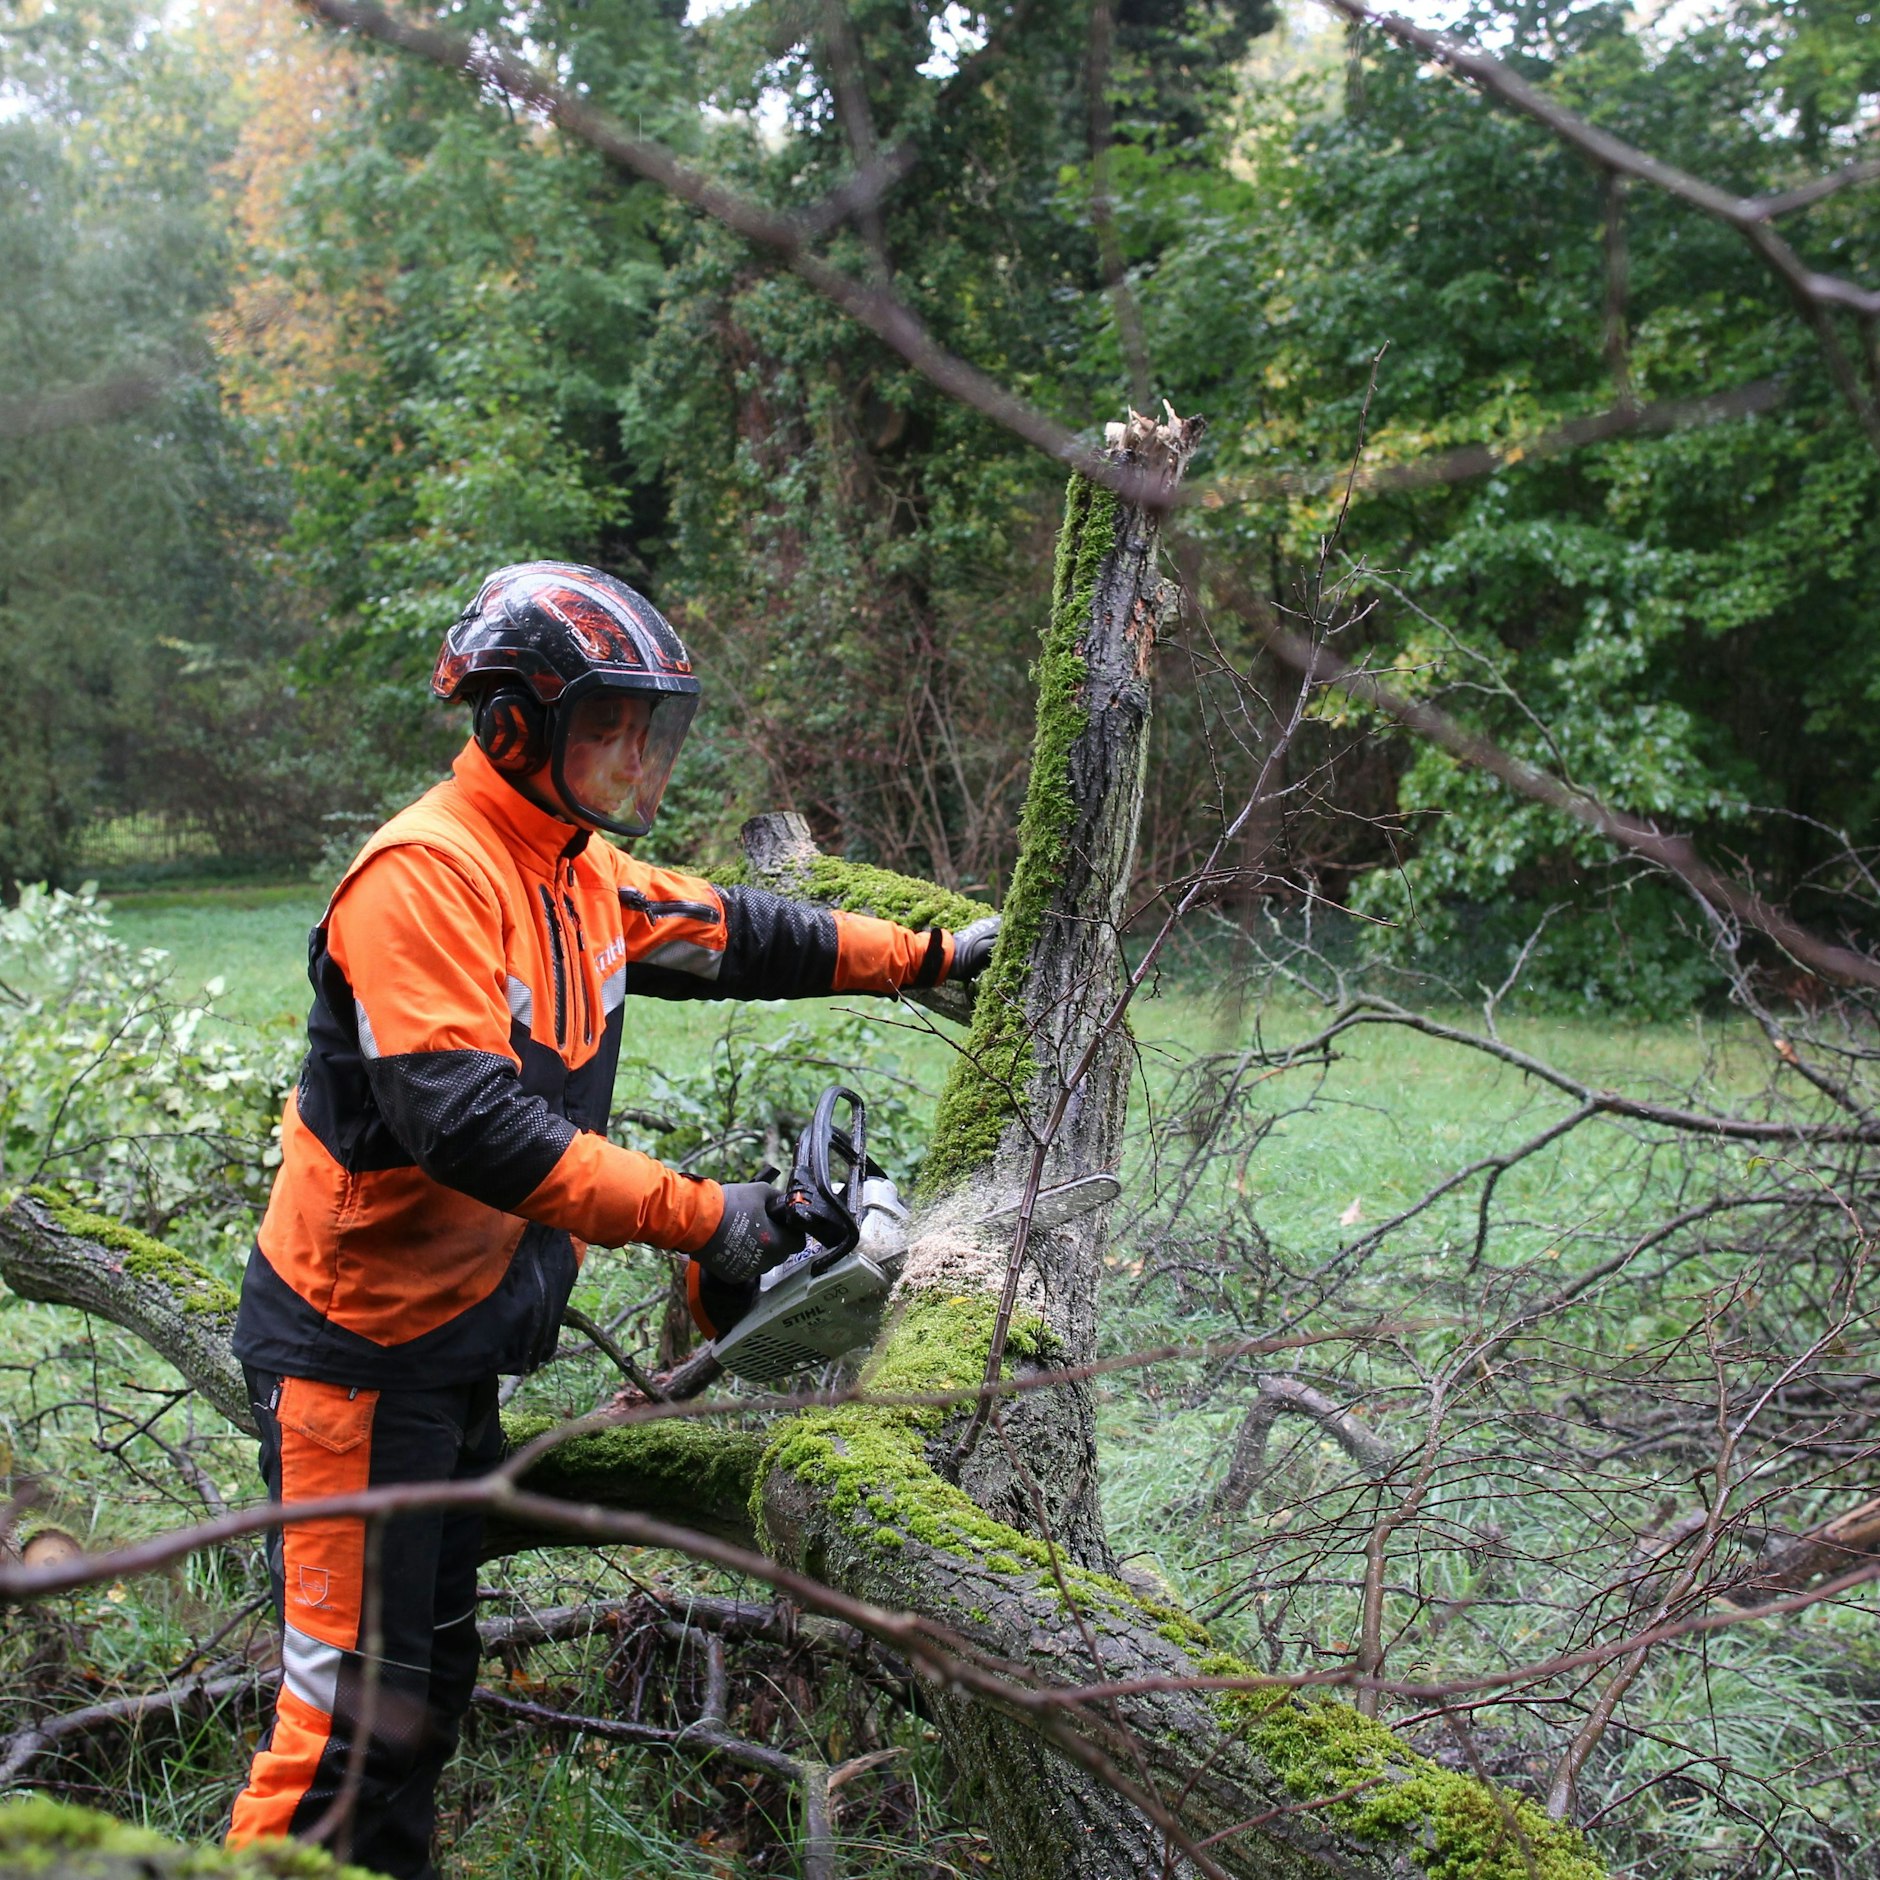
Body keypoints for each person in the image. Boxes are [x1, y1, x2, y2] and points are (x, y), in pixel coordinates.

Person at [224, 561, 998, 1877]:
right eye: (610, 725)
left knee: (418, 1701)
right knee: (341, 1727)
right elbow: (471, 1126)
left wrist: (930, 956)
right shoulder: (425, 879)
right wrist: (709, 1218)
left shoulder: (573, 873)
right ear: (515, 722)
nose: (638, 754)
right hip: (356, 1360)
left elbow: (747, 934)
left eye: (650, 725)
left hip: (450, 1347)